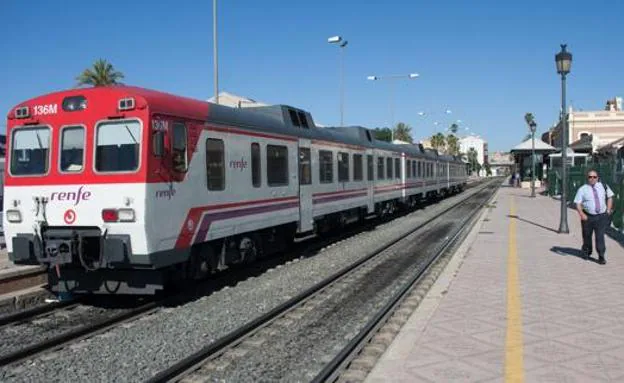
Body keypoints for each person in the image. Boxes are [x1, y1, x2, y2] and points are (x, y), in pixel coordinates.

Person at [573, 169, 614, 264]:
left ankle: (601, 256)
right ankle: (587, 251)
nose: (592, 179)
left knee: (600, 236)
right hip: (588, 217)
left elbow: (610, 197)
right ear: (587, 178)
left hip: (601, 217)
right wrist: (582, 214)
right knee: (587, 236)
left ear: (597, 178)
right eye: (590, 177)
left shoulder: (603, 186)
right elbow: (578, 203)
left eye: (594, 177)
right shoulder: (582, 189)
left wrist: (608, 210)